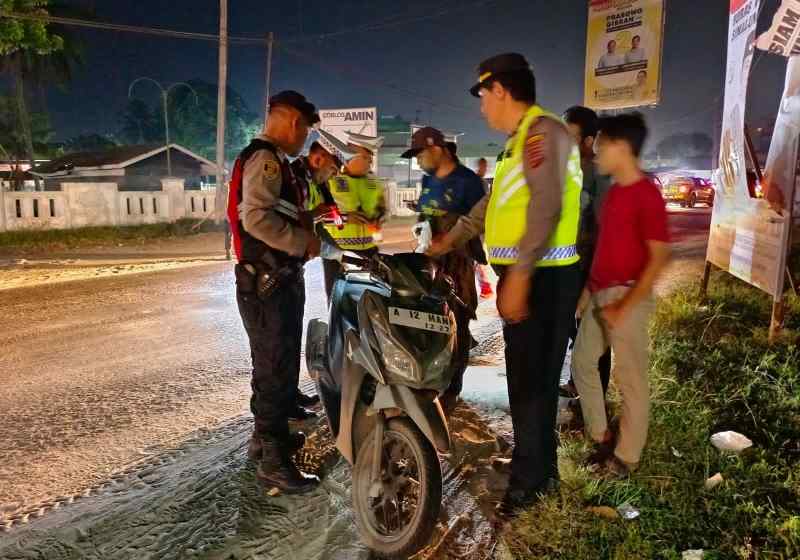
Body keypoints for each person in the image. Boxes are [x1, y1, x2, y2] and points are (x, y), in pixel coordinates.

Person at [430, 53, 583, 514]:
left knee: (532, 383)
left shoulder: (542, 133)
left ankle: (529, 487)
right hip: (532, 275)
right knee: (526, 381)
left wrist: (520, 275)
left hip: (542, 278)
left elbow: (547, 206)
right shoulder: (517, 144)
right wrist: (446, 242)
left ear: (500, 90)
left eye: (483, 97)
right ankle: (535, 468)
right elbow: (491, 207)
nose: (482, 109)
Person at [227, 90, 321, 494]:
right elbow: (256, 219)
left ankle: (268, 441)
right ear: (294, 122)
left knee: (275, 365)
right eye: (305, 132)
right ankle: (273, 462)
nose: (303, 140)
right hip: (266, 282)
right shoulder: (265, 159)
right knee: (272, 368)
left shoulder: (272, 160)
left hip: (274, 280)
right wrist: (302, 242)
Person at [571, 113, 670, 478]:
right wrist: (587, 291)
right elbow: (604, 249)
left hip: (628, 296)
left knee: (631, 381)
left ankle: (626, 458)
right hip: (600, 294)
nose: (596, 154)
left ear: (622, 147)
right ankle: (601, 436)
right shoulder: (613, 194)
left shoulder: (647, 194)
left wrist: (625, 305)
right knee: (582, 363)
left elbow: (659, 257)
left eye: (602, 147)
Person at [401, 126, 486, 410]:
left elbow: (479, 224)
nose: (418, 161)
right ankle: (430, 381)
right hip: (430, 263)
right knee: (427, 324)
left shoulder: (468, 182)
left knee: (457, 324)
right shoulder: (428, 179)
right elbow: (425, 213)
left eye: (420, 154)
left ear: (437, 148)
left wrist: (450, 235)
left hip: (458, 266)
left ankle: (452, 388)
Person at [290, 127, 355, 412]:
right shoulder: (294, 178)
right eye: (332, 168)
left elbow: (321, 212)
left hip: (294, 265)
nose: (333, 175)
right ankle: (276, 415)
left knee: (291, 333)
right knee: (278, 342)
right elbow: (294, 218)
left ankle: (289, 395)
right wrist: (318, 221)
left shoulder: (311, 180)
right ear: (317, 159)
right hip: (280, 265)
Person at [560, 106, 612, 411]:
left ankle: (594, 406)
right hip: (569, 269)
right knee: (576, 335)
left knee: (594, 342)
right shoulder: (567, 172)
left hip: (593, 274)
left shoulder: (601, 177)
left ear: (588, 141)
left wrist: (589, 289)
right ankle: (577, 384)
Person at [321, 131, 386, 299]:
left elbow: (382, 209)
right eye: (366, 157)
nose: (370, 163)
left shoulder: (373, 182)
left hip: (369, 252)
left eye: (371, 158)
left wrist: (379, 219)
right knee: (340, 302)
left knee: (370, 301)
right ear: (351, 154)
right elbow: (317, 217)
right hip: (338, 255)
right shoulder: (329, 180)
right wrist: (345, 218)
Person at [473, 157, 494, 299]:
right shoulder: (477, 182)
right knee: (476, 256)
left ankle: (486, 287)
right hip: (475, 225)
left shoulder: (482, 183)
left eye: (485, 166)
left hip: (479, 226)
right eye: (483, 166)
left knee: (476, 256)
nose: (484, 169)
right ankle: (485, 287)